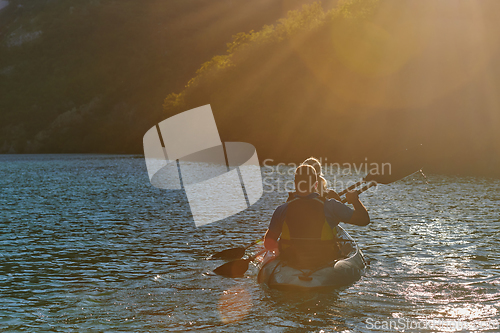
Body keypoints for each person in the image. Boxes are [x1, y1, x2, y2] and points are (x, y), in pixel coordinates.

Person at [264, 164, 370, 269]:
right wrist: (355, 200)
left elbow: (268, 243)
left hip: (291, 261)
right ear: (315, 185)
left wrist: (280, 249)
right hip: (324, 262)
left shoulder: (282, 209)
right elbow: (364, 220)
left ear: (296, 184)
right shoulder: (331, 206)